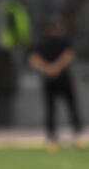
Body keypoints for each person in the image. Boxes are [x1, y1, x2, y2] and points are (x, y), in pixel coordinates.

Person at [28, 16, 85, 152]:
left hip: (57, 79)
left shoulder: (54, 41)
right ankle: (55, 137)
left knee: (67, 107)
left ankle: (71, 135)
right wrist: (53, 68)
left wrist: (50, 69)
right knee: (55, 109)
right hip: (57, 78)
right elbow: (34, 58)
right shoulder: (49, 41)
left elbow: (34, 58)